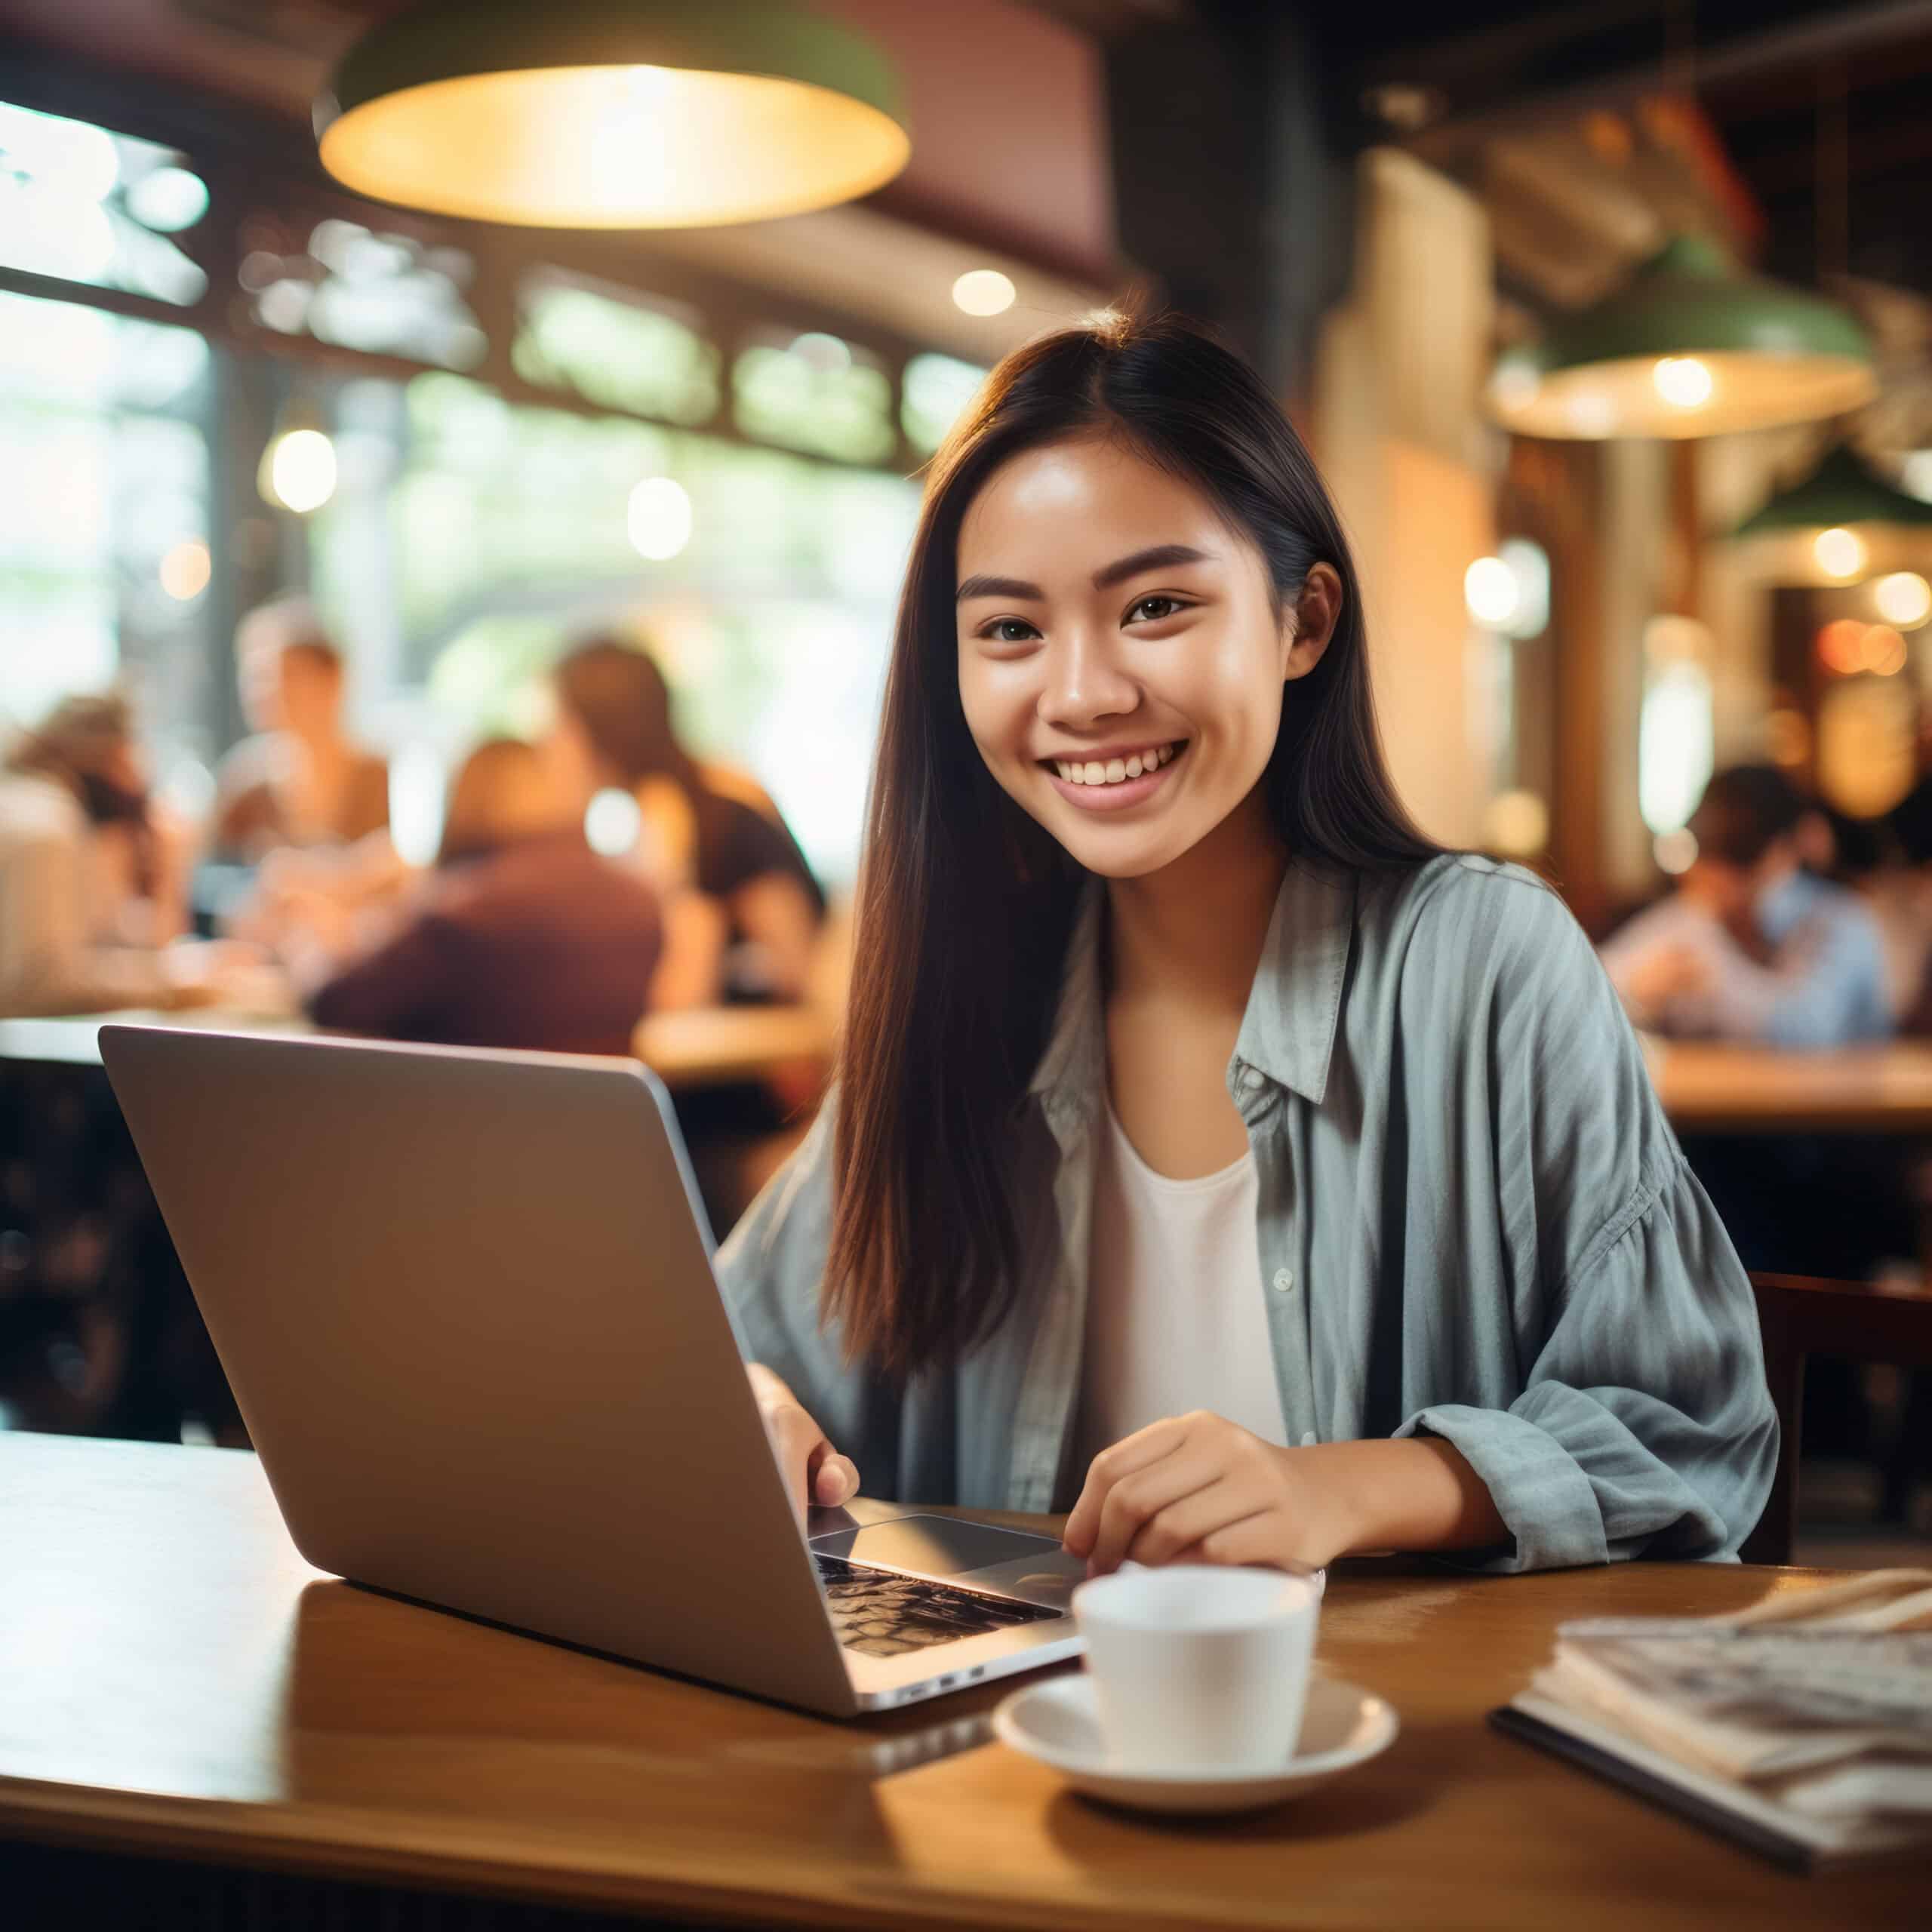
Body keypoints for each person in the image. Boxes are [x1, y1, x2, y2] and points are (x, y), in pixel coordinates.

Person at [716, 312, 1776, 1578]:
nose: (1083, 693)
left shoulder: (1485, 963)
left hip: (1412, 1751)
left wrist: (1350, 1488)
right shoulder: (967, 998)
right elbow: (726, 1339)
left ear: (1303, 622)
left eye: (1155, 606)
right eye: (1010, 630)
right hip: (1005, 1759)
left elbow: (1696, 1433)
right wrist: (751, 1404)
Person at [304, 738, 662, 1057]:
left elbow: (334, 1004)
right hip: (600, 1123)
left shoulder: (463, 915)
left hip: (463, 1120)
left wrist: (314, 951)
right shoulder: (641, 902)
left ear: (464, 801)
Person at [547, 638, 825, 1004]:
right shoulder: (640, 813)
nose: (550, 744)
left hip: (754, 1049)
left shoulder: (719, 806)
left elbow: (797, 968)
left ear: (598, 727)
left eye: (561, 724)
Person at [1601, 764, 1890, 1047]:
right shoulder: (1697, 912)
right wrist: (1639, 996)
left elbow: (1804, 1029)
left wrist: (1707, 964)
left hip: (1840, 1094)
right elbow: (1598, 986)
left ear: (1788, 850)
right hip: (1718, 1093)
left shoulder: (1842, 921)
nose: (1727, 886)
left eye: (1741, 864)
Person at [0, 692, 230, 1016]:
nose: (136, 778)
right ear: (103, 753)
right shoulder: (48, 828)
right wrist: (173, 983)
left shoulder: (26, 805)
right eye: (129, 757)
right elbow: (41, 981)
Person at [211, 598, 389, 862]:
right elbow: (211, 882)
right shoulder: (243, 786)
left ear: (333, 677)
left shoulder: (372, 774)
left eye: (289, 675)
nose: (270, 692)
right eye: (258, 678)